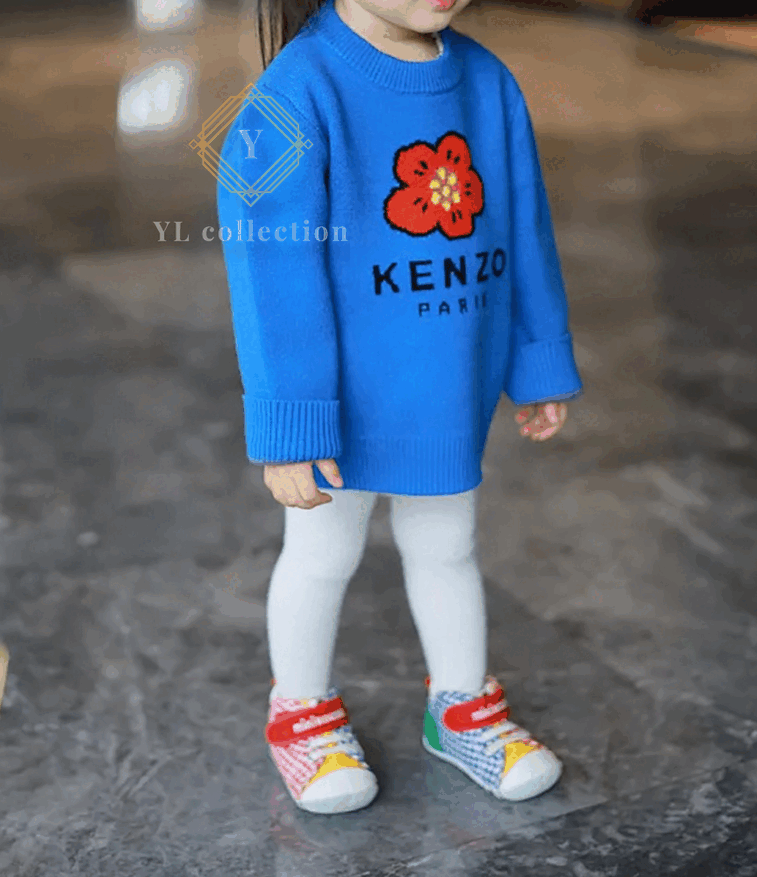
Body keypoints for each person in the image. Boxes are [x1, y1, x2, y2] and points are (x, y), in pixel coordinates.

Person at [217, 0, 584, 815]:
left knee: (448, 543)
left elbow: (523, 223)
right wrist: (292, 422)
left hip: (445, 379)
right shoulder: (295, 95)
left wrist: (537, 359)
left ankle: (459, 704)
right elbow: (271, 279)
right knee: (322, 553)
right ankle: (299, 711)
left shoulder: (486, 81)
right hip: (342, 399)